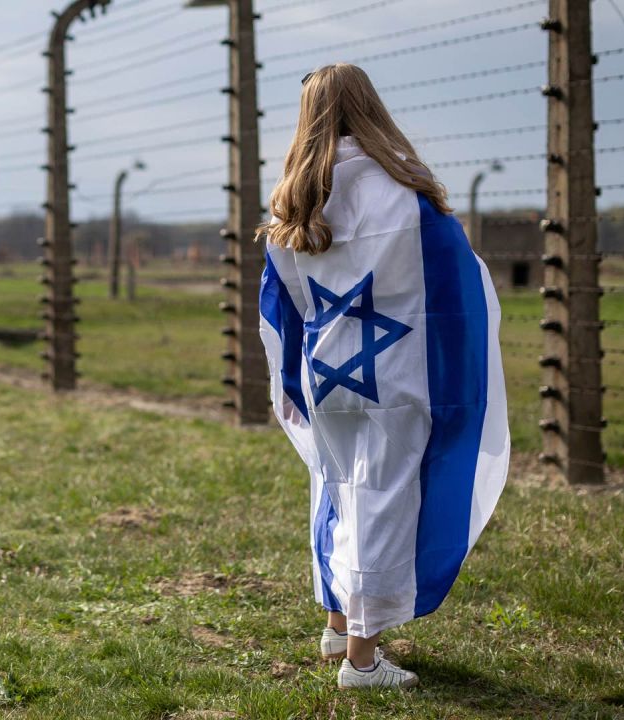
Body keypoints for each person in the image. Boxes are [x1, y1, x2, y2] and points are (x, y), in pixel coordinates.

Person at [257, 64, 509, 690]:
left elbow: (281, 306)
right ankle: (362, 662)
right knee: (384, 503)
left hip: (327, 378)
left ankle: (338, 625)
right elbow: (454, 289)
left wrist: (291, 382)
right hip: (397, 380)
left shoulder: (294, 204)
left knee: (337, 491)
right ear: (371, 109)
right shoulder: (404, 194)